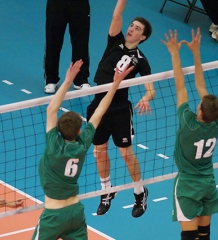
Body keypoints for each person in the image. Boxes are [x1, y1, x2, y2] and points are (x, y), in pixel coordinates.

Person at [32, 60, 134, 240]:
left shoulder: (54, 146)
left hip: (54, 215)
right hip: (75, 213)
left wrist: (67, 80)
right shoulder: (82, 143)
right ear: (79, 131)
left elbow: (50, 109)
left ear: (58, 130)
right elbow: (99, 112)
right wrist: (116, 83)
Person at [86, 0, 155, 218]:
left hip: (119, 109)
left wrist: (146, 97)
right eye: (132, 25)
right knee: (99, 152)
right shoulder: (114, 41)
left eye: (137, 28)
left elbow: (151, 89)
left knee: (126, 153)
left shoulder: (141, 60)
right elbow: (117, 15)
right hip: (98, 104)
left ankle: (139, 191)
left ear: (143, 37)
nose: (131, 28)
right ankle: (107, 190)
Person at [161, 28, 218, 240]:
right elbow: (200, 85)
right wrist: (196, 54)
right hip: (208, 183)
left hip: (188, 184)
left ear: (199, 111)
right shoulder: (215, 123)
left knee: (190, 237)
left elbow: (181, 87)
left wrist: (175, 54)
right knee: (204, 235)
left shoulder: (189, 123)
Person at [44, 0, 91, 94]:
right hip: (57, 4)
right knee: (53, 41)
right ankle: (51, 80)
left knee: (81, 42)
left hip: (80, 4)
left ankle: (80, 80)